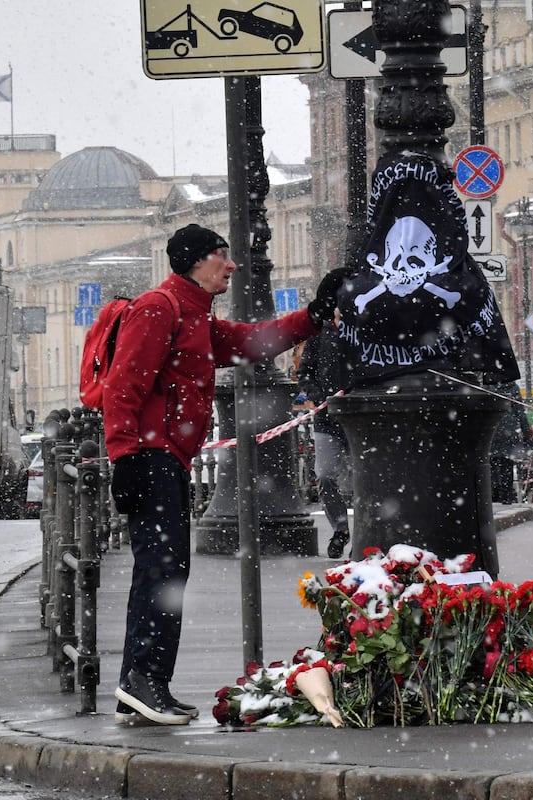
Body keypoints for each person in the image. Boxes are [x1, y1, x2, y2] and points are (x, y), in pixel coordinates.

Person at [105, 223, 347, 726]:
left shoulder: (193, 314)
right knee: (161, 571)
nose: (232, 265)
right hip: (151, 459)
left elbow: (251, 343)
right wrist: (125, 455)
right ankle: (142, 684)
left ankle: (145, 685)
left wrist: (313, 318)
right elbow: (124, 385)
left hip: (165, 457)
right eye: (222, 256)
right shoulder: (160, 308)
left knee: (167, 571)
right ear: (197, 261)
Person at [296, 313, 355, 558]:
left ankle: (366, 536)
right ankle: (340, 529)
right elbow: (305, 372)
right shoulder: (319, 333)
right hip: (326, 418)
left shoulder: (362, 327)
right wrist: (319, 396)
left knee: (364, 480)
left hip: (358, 416)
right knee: (325, 475)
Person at [489, 382, 532, 505]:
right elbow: (520, 414)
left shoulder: (489, 386)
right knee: (506, 464)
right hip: (509, 431)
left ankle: (494, 492)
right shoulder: (513, 388)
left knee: (492, 462)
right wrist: (527, 437)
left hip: (492, 429)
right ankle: (506, 495)